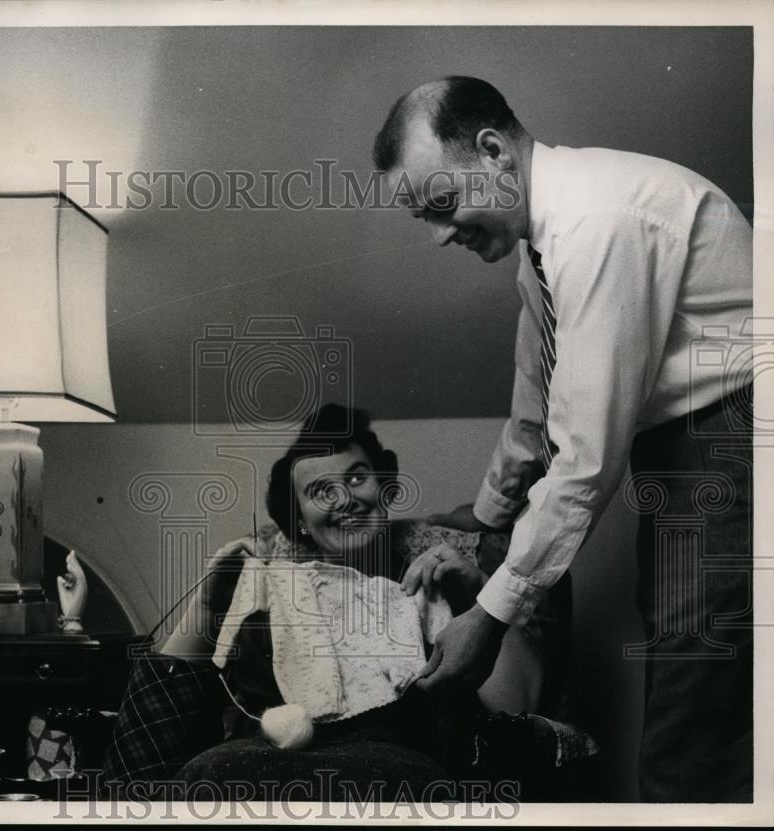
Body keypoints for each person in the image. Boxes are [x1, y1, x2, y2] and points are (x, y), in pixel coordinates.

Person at [371, 76, 753, 802]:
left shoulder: (596, 226)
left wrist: (490, 615)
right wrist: (485, 518)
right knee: (696, 677)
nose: (439, 234)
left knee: (692, 717)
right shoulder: (538, 250)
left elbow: (584, 457)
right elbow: (536, 402)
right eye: (424, 216)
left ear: (492, 151)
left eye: (443, 205)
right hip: (679, 452)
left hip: (736, 434)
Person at [158, 403, 561, 800]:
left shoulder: (441, 576)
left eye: (356, 479)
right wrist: (208, 608)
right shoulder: (264, 575)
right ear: (299, 520)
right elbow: (161, 711)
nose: (345, 499)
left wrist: (478, 597)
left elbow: (522, 704)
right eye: (320, 492)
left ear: (383, 486)